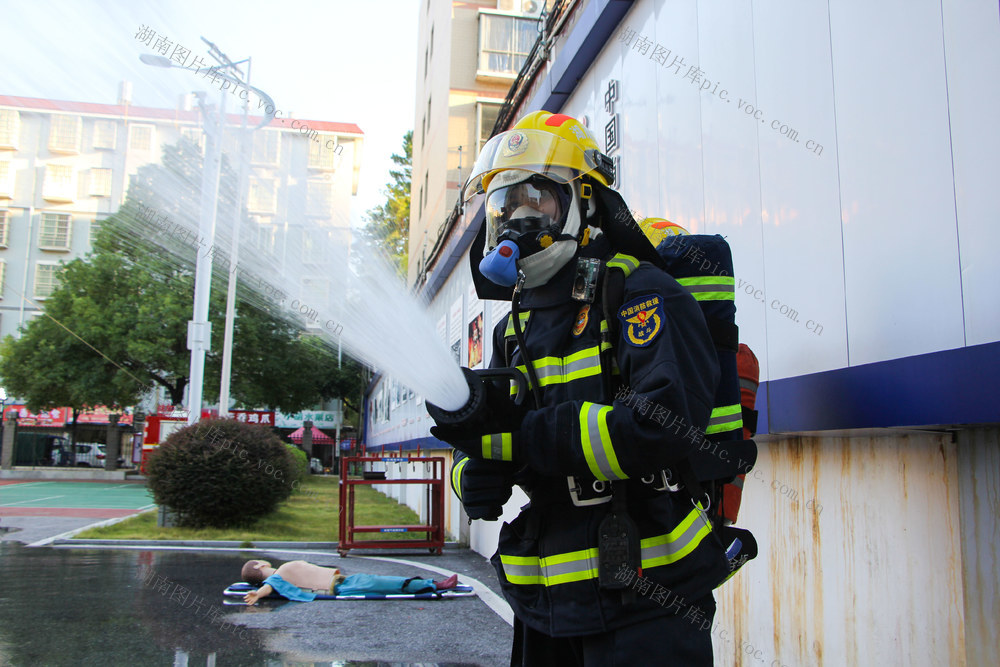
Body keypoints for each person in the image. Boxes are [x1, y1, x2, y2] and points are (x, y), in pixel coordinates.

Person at [428, 110, 729, 665]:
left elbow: (663, 425)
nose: (519, 218)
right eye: (505, 205)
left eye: (538, 197)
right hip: (545, 602)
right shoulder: (512, 328)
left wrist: (532, 438)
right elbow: (495, 437)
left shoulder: (640, 295)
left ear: (585, 204)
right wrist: (473, 471)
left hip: (646, 596)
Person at [240, 559, 458, 605]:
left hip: (344, 581)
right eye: (259, 561)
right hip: (342, 586)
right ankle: (435, 585)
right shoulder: (278, 575)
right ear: (259, 567)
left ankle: (431, 584)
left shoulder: (282, 572)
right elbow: (272, 585)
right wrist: (259, 594)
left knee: (385, 582)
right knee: (387, 583)